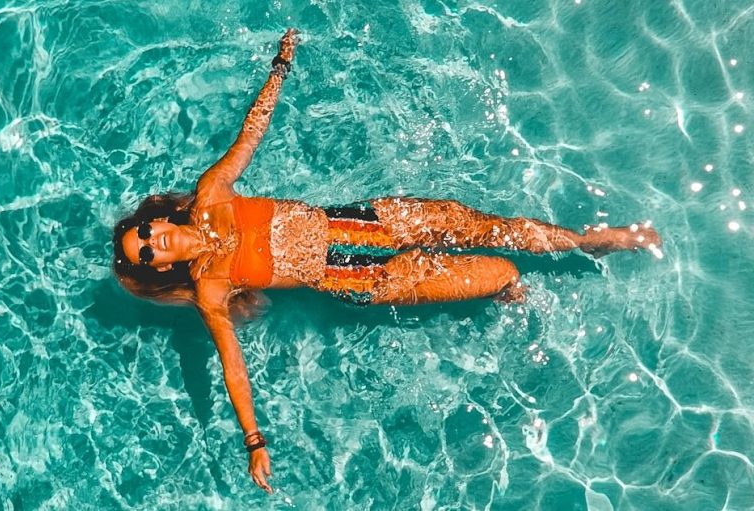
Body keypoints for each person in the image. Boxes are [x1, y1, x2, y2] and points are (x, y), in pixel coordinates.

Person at [112, 29, 661, 494]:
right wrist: (254, 440)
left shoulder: (211, 194)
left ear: (156, 219)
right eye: (147, 254)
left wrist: (279, 67)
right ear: (157, 268)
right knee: (504, 273)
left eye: (146, 233)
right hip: (364, 278)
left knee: (487, 228)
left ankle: (584, 242)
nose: (154, 242)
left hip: (368, 221)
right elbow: (232, 365)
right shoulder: (210, 288)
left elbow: (249, 136)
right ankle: (507, 291)